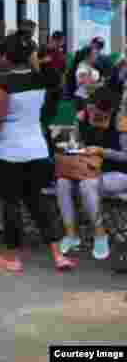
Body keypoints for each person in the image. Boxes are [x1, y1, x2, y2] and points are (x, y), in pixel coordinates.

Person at [0, 30, 76, 273]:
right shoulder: (41, 78)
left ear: (6, 56)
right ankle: (58, 256)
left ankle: (11, 258)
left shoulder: (4, 82)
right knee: (38, 201)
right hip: (37, 150)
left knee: (11, 204)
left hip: (9, 152)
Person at [56, 87, 127, 261]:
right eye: (90, 107)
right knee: (62, 182)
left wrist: (102, 151)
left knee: (87, 185)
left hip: (116, 173)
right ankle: (71, 234)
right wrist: (73, 145)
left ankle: (100, 234)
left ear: (109, 110)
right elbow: (76, 141)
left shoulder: (120, 123)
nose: (91, 112)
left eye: (96, 110)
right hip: (86, 168)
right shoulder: (83, 117)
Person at [38, 30, 66, 144]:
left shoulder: (60, 53)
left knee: (52, 112)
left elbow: (63, 70)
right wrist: (42, 61)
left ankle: (46, 131)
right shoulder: (43, 50)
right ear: (55, 40)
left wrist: (62, 85)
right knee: (44, 113)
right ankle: (42, 134)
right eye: (61, 41)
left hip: (56, 88)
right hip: (45, 88)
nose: (62, 43)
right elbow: (32, 64)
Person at [73, 45, 101, 112]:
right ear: (87, 56)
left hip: (90, 99)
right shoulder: (82, 67)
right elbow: (86, 85)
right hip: (83, 99)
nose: (96, 56)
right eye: (94, 54)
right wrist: (100, 85)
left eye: (96, 53)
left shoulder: (91, 67)